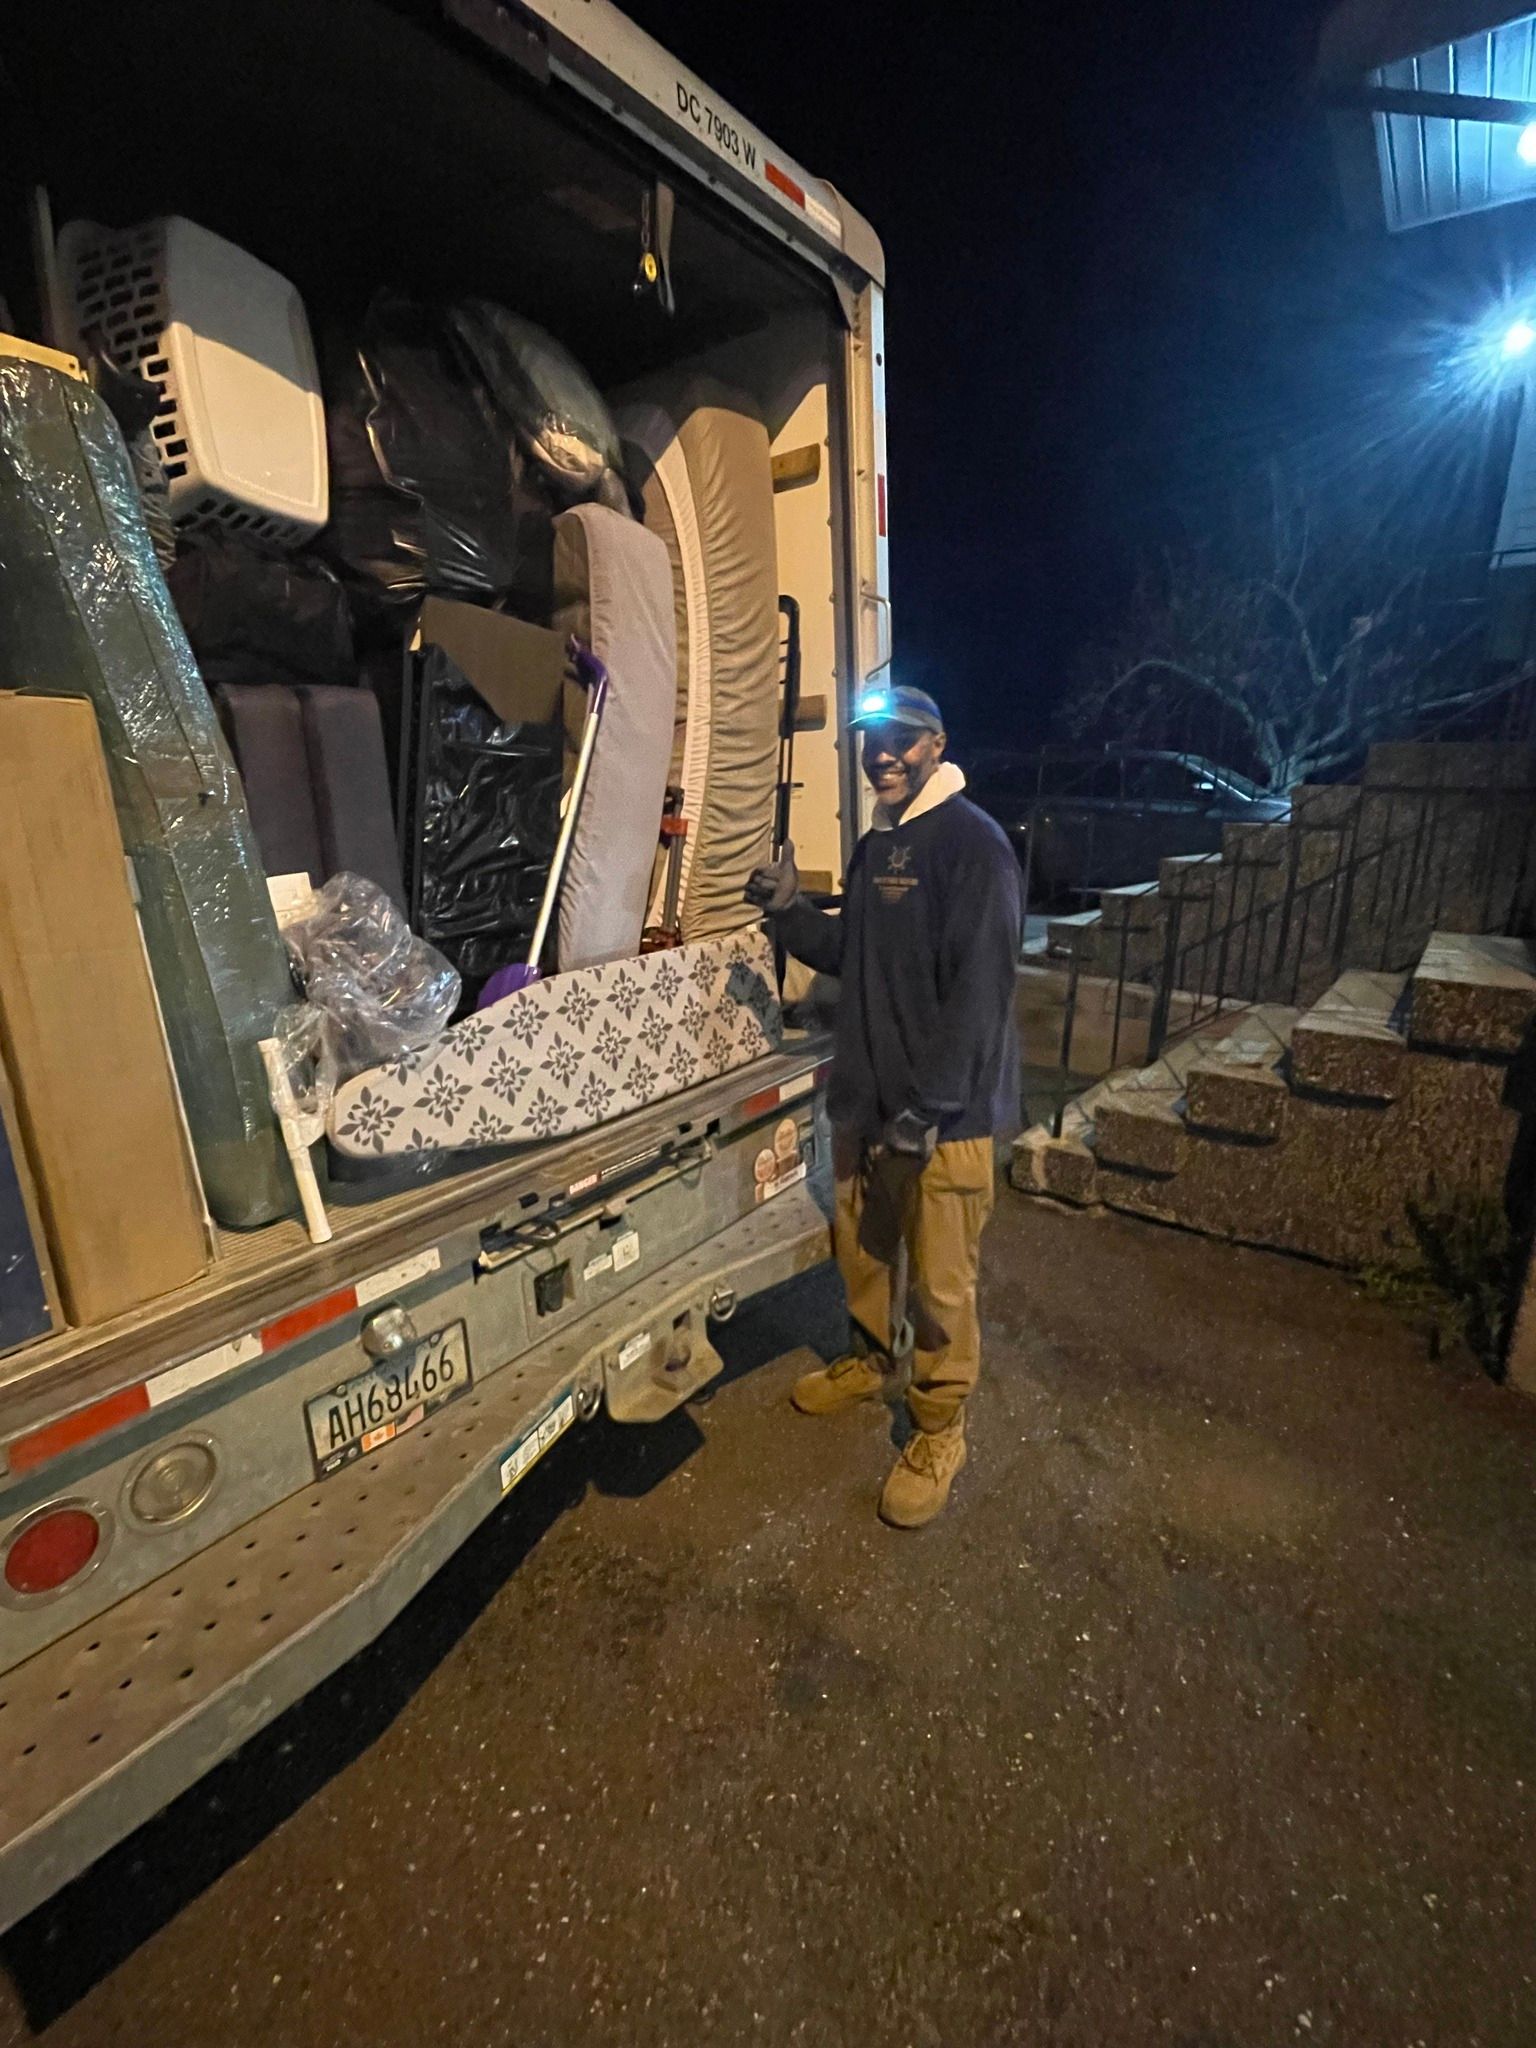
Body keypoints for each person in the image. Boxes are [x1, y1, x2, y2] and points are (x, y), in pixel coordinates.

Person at [744, 683, 1023, 1527]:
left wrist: (927, 1109)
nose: (884, 754)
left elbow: (980, 995)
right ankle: (871, 1360)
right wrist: (792, 912)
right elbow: (849, 950)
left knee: (939, 1287)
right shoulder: (879, 845)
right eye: (872, 742)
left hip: (942, 1121)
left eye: (902, 739)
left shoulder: (975, 848)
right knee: (864, 1252)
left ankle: (940, 1427)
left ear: (936, 745)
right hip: (868, 1105)